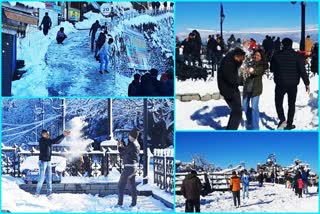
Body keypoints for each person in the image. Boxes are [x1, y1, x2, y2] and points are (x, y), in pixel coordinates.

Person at [270, 38, 310, 130]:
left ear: (282, 45)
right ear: (291, 45)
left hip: (280, 84)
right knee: (291, 104)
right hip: (293, 84)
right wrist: (307, 83)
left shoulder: (276, 55)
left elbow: (272, 69)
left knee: (278, 102)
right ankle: (289, 124)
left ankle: (282, 119)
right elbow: (302, 71)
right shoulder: (298, 56)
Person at [35, 129, 71, 196]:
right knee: (41, 179)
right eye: (45, 134)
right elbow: (55, 141)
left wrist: (63, 136)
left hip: (48, 161)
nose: (46, 135)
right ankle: (37, 194)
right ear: (42, 134)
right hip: (43, 162)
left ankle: (49, 194)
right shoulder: (42, 140)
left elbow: (55, 141)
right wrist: (63, 135)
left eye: (47, 133)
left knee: (49, 179)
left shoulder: (48, 140)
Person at [218, 47, 246, 130]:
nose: (242, 60)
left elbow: (236, 65)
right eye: (241, 58)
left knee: (235, 111)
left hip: (230, 89)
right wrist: (242, 81)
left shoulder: (231, 59)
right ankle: (231, 131)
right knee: (237, 112)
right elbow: (231, 79)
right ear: (237, 56)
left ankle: (230, 129)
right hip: (229, 90)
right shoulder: (228, 63)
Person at [243, 49, 268, 130]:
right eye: (255, 55)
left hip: (256, 89)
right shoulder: (250, 62)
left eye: (258, 55)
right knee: (244, 105)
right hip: (247, 88)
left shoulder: (262, 65)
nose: (256, 57)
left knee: (254, 107)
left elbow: (257, 72)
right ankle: (250, 120)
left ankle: (255, 127)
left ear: (261, 57)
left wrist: (250, 70)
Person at [116, 128, 141, 207]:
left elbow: (123, 152)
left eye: (130, 135)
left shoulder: (132, 144)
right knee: (132, 185)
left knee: (120, 185)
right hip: (134, 167)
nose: (128, 136)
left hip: (129, 167)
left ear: (132, 136)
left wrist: (119, 146)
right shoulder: (136, 144)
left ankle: (120, 203)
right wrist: (122, 146)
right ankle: (134, 203)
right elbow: (127, 152)